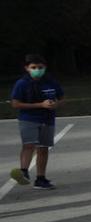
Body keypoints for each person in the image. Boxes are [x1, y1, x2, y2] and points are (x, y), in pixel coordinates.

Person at [9, 54, 65, 190]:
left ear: (45, 68)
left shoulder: (51, 82)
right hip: (29, 119)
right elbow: (15, 104)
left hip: (47, 119)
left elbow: (62, 98)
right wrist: (40, 105)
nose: (37, 70)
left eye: (40, 67)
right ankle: (23, 171)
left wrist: (56, 104)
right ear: (27, 68)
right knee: (29, 145)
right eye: (33, 67)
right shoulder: (22, 83)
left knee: (43, 148)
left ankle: (41, 178)